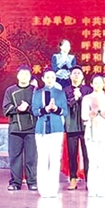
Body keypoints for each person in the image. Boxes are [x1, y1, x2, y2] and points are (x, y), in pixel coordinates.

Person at [32, 69, 69, 198]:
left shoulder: (60, 93)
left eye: (52, 77)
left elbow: (65, 111)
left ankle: (53, 189)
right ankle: (43, 189)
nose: (50, 80)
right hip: (41, 129)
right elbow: (35, 111)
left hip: (56, 128)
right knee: (43, 158)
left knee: (54, 159)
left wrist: (55, 109)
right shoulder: (38, 93)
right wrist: (46, 109)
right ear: (43, 78)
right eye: (47, 77)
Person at [2, 65, 38, 192]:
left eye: (27, 74)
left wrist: (28, 108)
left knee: (31, 157)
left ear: (30, 76)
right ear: (17, 76)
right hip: (15, 127)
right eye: (22, 74)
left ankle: (32, 182)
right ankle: (15, 182)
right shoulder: (10, 90)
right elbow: (6, 108)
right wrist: (18, 108)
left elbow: (39, 108)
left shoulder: (35, 91)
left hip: (32, 128)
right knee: (15, 156)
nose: (24, 76)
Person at [81, 73, 105, 198]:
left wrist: (103, 113)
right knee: (93, 161)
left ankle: (101, 189)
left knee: (102, 161)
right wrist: (92, 113)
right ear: (91, 84)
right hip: (91, 130)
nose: (98, 85)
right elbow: (84, 116)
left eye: (100, 82)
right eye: (96, 82)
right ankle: (92, 189)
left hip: (104, 130)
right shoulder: (87, 98)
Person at [64, 66, 91, 191]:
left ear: (82, 76)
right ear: (70, 76)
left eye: (78, 73)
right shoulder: (65, 91)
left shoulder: (88, 90)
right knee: (72, 154)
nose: (76, 75)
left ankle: (89, 179)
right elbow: (65, 105)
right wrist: (74, 98)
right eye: (74, 73)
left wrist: (81, 97)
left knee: (87, 154)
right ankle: (73, 178)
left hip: (85, 126)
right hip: (71, 125)